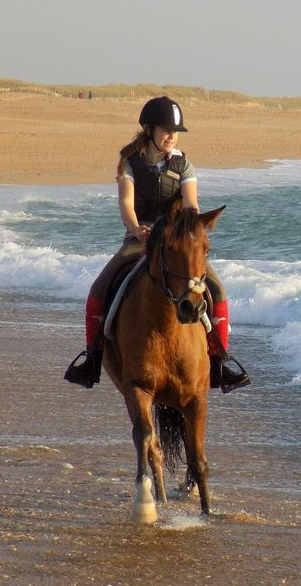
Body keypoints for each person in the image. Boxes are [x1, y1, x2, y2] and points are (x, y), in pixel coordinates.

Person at [64, 96, 250, 392]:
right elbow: (126, 203)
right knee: (99, 289)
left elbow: (191, 205)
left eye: (175, 131)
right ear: (149, 129)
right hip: (139, 240)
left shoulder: (183, 165)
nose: (171, 136)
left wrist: (185, 230)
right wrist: (137, 229)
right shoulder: (130, 163)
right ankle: (93, 356)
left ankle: (219, 360)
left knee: (216, 289)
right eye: (166, 130)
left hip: (175, 243)